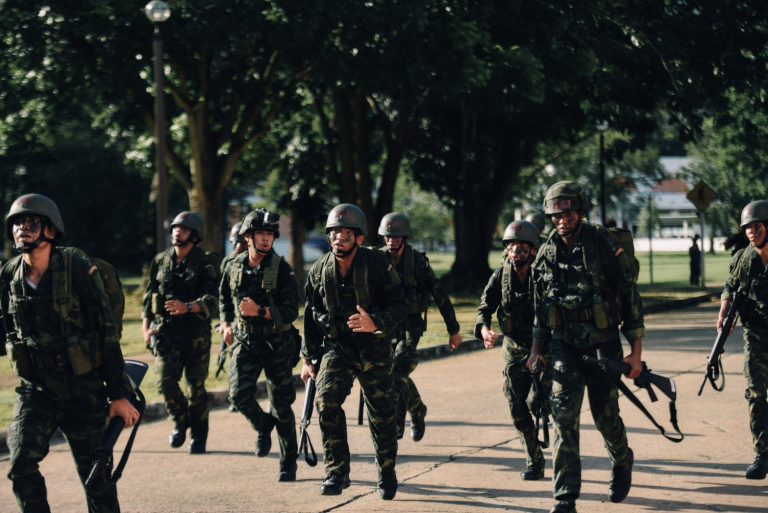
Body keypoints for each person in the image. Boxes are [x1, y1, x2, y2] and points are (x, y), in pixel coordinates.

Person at [0, 193, 140, 513]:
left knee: (97, 480)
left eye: (31, 222)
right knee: (20, 466)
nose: (22, 228)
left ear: (51, 230)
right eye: (17, 223)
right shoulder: (8, 275)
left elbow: (106, 332)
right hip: (36, 390)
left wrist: (118, 394)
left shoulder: (76, 266)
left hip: (83, 390)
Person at [527, 181, 645, 513]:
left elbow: (631, 299)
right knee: (563, 417)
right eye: (555, 215)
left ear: (580, 212)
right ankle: (565, 496)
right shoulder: (546, 253)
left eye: (567, 213)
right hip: (564, 345)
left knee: (605, 416)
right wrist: (537, 351)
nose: (561, 220)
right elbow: (541, 309)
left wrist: (636, 353)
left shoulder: (604, 244)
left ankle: (621, 458)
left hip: (603, 343)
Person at [302, 203, 407, 500]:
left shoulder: (378, 265)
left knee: (382, 414)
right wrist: (308, 359)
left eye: (347, 234)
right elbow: (311, 315)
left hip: (375, 348)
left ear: (359, 238)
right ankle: (337, 471)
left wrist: (376, 322)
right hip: (339, 348)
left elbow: (401, 305)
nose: (340, 238)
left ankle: (387, 473)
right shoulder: (319, 270)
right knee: (326, 401)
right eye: (335, 233)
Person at [219, 208, 301, 481]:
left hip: (277, 344)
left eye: (270, 234)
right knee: (238, 395)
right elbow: (224, 298)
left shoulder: (283, 270)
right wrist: (226, 324)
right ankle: (264, 426)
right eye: (261, 234)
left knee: (281, 406)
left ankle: (288, 462)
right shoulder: (233, 266)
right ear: (248, 237)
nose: (266, 239)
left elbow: (291, 311)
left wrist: (261, 312)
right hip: (245, 342)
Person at [377, 212, 462, 442]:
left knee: (399, 370)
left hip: (411, 324)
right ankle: (417, 409)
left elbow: (440, 295)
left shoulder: (417, 262)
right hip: (386, 324)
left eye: (396, 237)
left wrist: (453, 330)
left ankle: (396, 423)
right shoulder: (376, 260)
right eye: (388, 237)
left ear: (404, 238)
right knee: (389, 373)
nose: (392, 242)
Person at [142, 211, 219, 454]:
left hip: (196, 335)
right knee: (164, 381)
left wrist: (188, 307)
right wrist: (146, 328)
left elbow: (213, 299)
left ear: (194, 235)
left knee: (195, 388)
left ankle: (199, 437)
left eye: (184, 230)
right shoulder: (161, 260)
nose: (178, 232)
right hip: (167, 333)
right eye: (176, 228)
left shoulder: (206, 261)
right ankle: (179, 419)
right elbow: (149, 296)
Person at [476, 220, 546, 480]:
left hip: (545, 347)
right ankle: (535, 461)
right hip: (515, 349)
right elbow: (484, 308)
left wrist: (539, 353)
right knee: (516, 405)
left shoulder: (544, 276)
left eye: (521, 246)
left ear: (533, 249)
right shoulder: (501, 275)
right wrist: (485, 330)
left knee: (539, 402)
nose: (515, 251)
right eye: (511, 246)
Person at [718, 200, 768, 480]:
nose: (751, 231)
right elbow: (731, 285)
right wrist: (724, 309)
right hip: (756, 336)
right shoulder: (743, 258)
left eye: (756, 226)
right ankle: (762, 455)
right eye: (747, 227)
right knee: (755, 394)